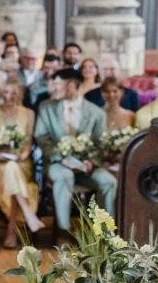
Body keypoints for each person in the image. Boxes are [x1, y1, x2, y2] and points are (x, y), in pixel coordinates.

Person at [35, 68, 116, 237]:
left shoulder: (97, 113)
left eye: (57, 84)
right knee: (65, 176)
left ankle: (105, 232)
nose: (52, 88)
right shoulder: (46, 108)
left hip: (87, 167)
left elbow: (100, 143)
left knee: (109, 182)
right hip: (58, 165)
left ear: (71, 85)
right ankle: (64, 233)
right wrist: (61, 157)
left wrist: (92, 162)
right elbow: (42, 138)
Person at [0, 80, 43, 248]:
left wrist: (21, 156)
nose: (7, 96)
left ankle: (12, 231)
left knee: (13, 170)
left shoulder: (28, 114)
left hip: (21, 163)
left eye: (12, 93)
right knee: (10, 170)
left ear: (19, 95)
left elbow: (28, 143)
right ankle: (21, 221)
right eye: (5, 92)